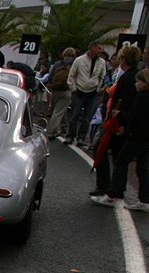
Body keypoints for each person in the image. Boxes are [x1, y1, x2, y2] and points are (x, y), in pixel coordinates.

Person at [91, 67, 149, 211]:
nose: (136, 84)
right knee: (142, 167)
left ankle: (113, 194)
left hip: (138, 136)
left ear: (144, 82)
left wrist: (121, 116)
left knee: (121, 161)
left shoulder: (142, 98)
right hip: (145, 137)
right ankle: (145, 199)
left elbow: (138, 118)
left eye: (138, 81)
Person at [89, 45, 140, 198]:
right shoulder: (126, 75)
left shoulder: (128, 78)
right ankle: (117, 186)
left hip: (117, 122)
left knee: (101, 149)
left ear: (123, 59)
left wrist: (121, 122)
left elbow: (128, 102)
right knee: (117, 155)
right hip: (116, 119)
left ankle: (107, 186)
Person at [65, 41, 106, 146]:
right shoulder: (79, 60)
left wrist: (97, 88)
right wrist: (74, 89)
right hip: (79, 91)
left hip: (92, 93)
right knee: (74, 115)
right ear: (92, 48)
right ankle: (71, 135)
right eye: (99, 48)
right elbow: (71, 76)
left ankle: (81, 137)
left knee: (87, 117)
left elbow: (102, 76)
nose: (100, 51)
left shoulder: (101, 62)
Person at [46, 48, 76, 138]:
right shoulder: (74, 65)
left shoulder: (58, 64)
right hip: (66, 90)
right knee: (59, 112)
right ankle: (51, 131)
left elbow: (50, 76)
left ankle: (55, 130)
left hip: (55, 90)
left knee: (54, 110)